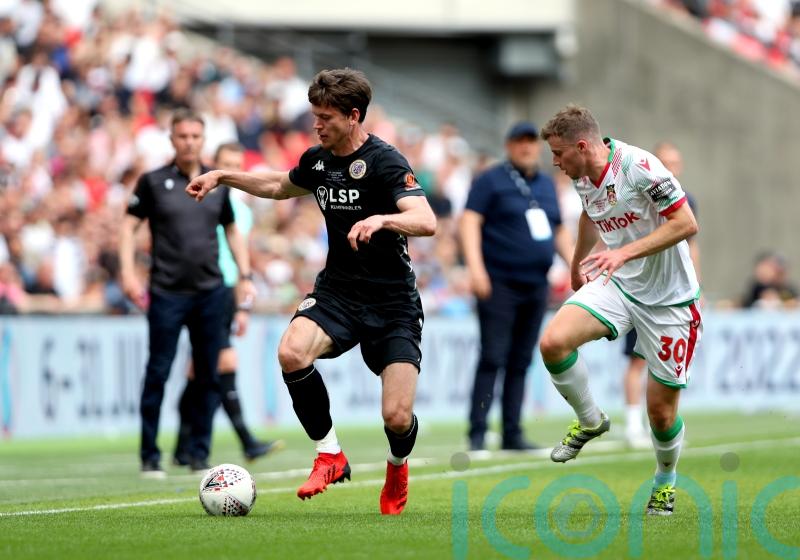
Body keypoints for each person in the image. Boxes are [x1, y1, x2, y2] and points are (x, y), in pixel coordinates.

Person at [186, 68, 436, 515]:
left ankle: (397, 466)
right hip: (339, 291)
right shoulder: (318, 160)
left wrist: (383, 219)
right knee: (292, 352)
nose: (316, 125)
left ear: (353, 116)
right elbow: (279, 186)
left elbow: (425, 219)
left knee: (396, 418)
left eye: (325, 117)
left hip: (392, 301)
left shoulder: (385, 162)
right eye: (313, 115)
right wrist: (223, 175)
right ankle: (330, 455)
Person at [538, 105, 701, 516]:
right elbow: (589, 219)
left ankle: (665, 482)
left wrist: (623, 252)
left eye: (558, 154)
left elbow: (686, 224)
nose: (555, 163)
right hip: (619, 284)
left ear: (581, 145)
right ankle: (591, 419)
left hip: (669, 299)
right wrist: (576, 265)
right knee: (553, 342)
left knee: (660, 415)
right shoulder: (582, 175)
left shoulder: (641, 167)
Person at [120, 109, 256, 477]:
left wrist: (244, 275)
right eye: (182, 136)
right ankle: (150, 455)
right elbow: (129, 227)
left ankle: (199, 453)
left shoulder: (215, 184)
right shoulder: (152, 182)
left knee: (208, 375)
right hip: (166, 292)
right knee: (158, 373)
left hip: (211, 291)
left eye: (196, 136)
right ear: (172, 139)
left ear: (203, 139)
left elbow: (232, 231)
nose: (189, 142)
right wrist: (128, 272)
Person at [460, 121, 572, 452]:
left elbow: (559, 230)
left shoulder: (547, 185)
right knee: (492, 357)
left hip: (536, 283)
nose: (526, 147)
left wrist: (576, 265)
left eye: (531, 142)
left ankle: (512, 432)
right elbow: (469, 222)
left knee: (522, 360)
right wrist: (476, 269)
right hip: (498, 281)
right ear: (508, 146)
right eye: (520, 142)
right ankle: (477, 433)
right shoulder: (490, 180)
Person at [173, 142, 282, 467]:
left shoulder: (243, 210)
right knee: (222, 365)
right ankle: (244, 441)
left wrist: (243, 305)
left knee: (199, 371)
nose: (233, 171)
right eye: (226, 164)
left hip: (226, 292)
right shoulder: (202, 199)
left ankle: (183, 448)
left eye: (238, 164)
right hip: (205, 289)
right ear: (213, 166)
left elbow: (239, 258)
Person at [620, 141, 701, 449]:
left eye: (675, 163)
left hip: (674, 292)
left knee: (670, 367)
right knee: (637, 360)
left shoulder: (686, 200)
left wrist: (697, 283)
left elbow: (692, 244)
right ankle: (631, 424)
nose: (671, 168)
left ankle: (664, 422)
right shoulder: (639, 193)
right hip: (641, 288)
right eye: (665, 162)